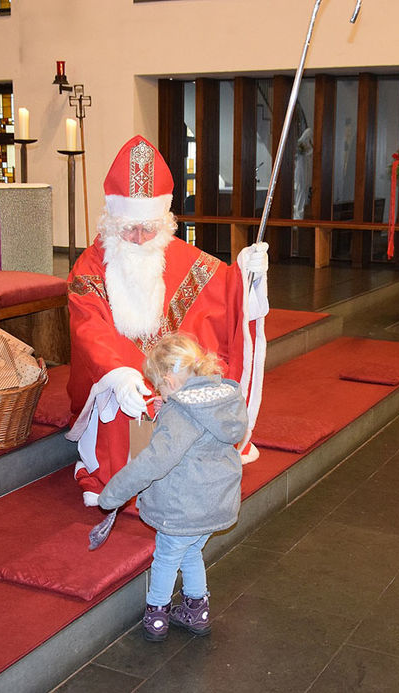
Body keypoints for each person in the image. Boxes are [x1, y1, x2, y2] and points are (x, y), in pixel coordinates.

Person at [65, 134, 269, 507]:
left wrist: (249, 273)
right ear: (112, 220)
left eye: (149, 228)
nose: (140, 238)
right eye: (129, 228)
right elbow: (87, 328)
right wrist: (119, 373)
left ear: (165, 222)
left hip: (173, 380)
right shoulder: (90, 267)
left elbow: (229, 291)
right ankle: (124, 478)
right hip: (118, 378)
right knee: (121, 408)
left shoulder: (181, 257)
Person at [98, 332, 248, 641]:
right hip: (215, 501)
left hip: (183, 504)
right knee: (191, 550)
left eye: (161, 388)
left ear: (171, 380)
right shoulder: (221, 399)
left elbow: (155, 459)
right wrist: (166, 407)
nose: (161, 395)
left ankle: (156, 614)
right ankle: (197, 608)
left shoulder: (181, 413)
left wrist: (114, 492)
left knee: (166, 556)